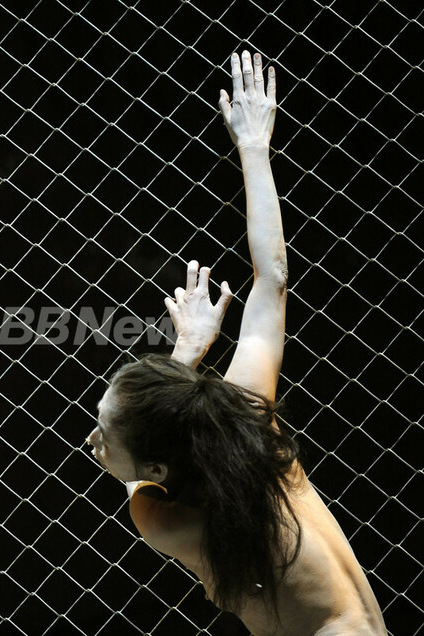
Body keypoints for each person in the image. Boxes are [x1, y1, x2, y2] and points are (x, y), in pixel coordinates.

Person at [87, 51, 387, 635]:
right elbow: (272, 279)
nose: (92, 439)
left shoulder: (162, 520)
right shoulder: (248, 420)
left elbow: (137, 479)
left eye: (104, 433)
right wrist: (253, 146)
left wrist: (186, 354)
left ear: (156, 466)